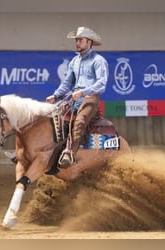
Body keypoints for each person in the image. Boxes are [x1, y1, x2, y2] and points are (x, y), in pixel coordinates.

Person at [46, 26, 109, 166]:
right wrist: (55, 95)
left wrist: (83, 92)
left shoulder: (98, 61)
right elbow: (67, 83)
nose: (77, 43)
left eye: (80, 40)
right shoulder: (74, 61)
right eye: (77, 40)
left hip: (91, 98)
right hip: (74, 97)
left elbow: (102, 84)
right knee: (53, 117)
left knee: (79, 121)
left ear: (89, 42)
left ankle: (70, 153)